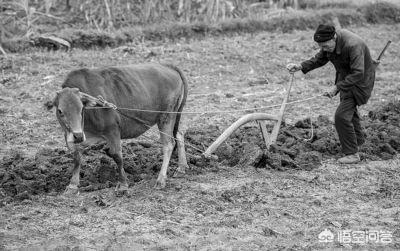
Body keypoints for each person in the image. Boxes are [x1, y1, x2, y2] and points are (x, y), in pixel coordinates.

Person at [286, 24, 376, 164]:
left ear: (334, 38)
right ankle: (358, 141)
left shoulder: (353, 45)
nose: (323, 49)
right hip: (346, 78)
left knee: (341, 116)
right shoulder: (330, 43)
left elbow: (358, 73)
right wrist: (301, 66)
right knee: (349, 113)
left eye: (325, 46)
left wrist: (336, 88)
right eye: (321, 46)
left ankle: (352, 154)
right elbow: (320, 58)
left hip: (360, 82)